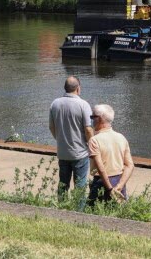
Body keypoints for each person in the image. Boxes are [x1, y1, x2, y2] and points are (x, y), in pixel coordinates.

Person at [49, 76, 94, 211]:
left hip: (62, 152)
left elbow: (51, 127)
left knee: (63, 184)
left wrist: (60, 140)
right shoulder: (83, 105)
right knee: (80, 184)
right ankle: (78, 212)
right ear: (78, 88)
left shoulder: (55, 104)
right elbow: (88, 129)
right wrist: (91, 145)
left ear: (65, 88)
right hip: (80, 152)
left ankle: (61, 208)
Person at [87, 104, 134, 205]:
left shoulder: (94, 140)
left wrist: (109, 189)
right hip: (119, 180)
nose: (91, 120)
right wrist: (119, 186)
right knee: (118, 214)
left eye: (92, 117)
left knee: (93, 214)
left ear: (99, 119)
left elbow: (101, 167)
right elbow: (130, 165)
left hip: (102, 181)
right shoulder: (121, 137)